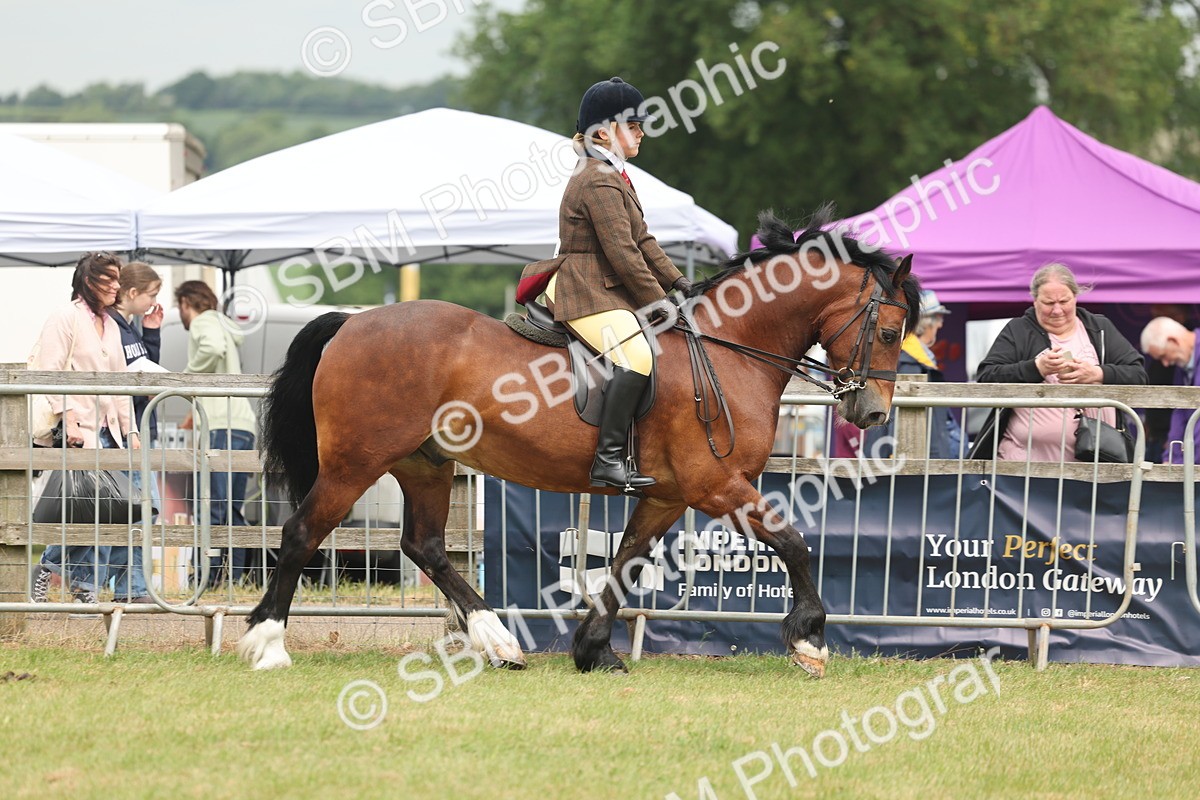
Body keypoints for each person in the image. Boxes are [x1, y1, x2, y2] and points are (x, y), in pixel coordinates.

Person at [517, 77, 689, 491]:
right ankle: (608, 460)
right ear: (602, 132)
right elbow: (623, 253)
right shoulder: (597, 178)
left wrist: (681, 283)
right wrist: (659, 299)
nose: (641, 132)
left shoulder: (614, 175)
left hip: (602, 285)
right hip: (585, 286)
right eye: (632, 125)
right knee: (638, 356)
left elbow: (642, 239)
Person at [30, 251, 140, 604]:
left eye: (117, 278)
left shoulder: (111, 324)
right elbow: (49, 370)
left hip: (109, 432)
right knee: (88, 511)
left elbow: (120, 382)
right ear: (90, 282)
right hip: (78, 433)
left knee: (106, 514)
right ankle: (84, 589)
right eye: (109, 279)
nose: (116, 286)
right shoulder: (65, 317)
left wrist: (132, 431)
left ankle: (52, 565)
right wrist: (68, 417)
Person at [970, 263, 1146, 461]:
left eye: (1064, 301)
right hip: (1024, 466)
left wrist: (1097, 374)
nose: (1057, 310)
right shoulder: (1018, 330)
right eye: (1048, 302)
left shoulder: (1100, 327)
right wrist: (1036, 368)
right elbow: (987, 377)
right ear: (1034, 300)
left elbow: (1138, 375)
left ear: (1076, 297)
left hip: (1096, 465)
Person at [175, 280, 257, 587]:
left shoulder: (203, 322)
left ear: (186, 303)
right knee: (232, 507)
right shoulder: (224, 323)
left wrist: (186, 379)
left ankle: (206, 578)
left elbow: (212, 348)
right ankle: (231, 578)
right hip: (242, 424)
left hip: (221, 425)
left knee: (211, 505)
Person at [104, 261, 165, 603]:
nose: (153, 301)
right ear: (131, 293)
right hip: (125, 430)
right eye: (151, 295)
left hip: (138, 427)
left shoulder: (129, 328)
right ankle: (132, 588)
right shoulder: (112, 327)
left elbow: (147, 369)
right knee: (141, 509)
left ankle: (130, 588)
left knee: (139, 510)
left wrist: (152, 332)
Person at [864, 290, 963, 458]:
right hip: (912, 464)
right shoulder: (909, 363)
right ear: (925, 323)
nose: (940, 324)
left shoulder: (911, 359)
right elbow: (894, 420)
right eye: (938, 318)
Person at [1140, 316, 1199, 464]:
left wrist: (1181, 461)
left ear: (1174, 341)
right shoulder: (1183, 363)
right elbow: (1180, 411)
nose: (1166, 364)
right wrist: (1171, 458)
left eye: (1163, 356)